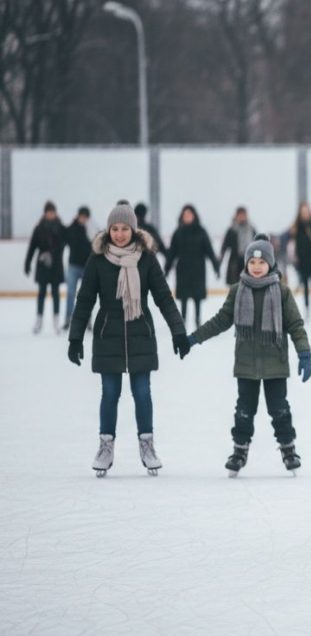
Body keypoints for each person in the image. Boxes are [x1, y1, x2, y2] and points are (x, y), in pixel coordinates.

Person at [67, 202, 191, 477]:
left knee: (142, 392)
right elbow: (85, 299)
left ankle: (147, 446)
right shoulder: (98, 259)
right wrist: (75, 338)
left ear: (133, 230)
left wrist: (178, 331)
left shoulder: (146, 258)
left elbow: (163, 297)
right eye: (115, 228)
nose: (120, 234)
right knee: (110, 393)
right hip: (107, 335)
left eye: (125, 228)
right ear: (108, 230)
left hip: (140, 333)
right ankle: (105, 447)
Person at [188, 235, 311, 476]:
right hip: (246, 364)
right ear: (246, 264)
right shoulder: (238, 291)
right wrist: (194, 338)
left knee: (279, 409)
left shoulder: (282, 292)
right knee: (244, 410)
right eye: (252, 262)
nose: (256, 267)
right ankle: (239, 450)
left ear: (270, 264)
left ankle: (288, 449)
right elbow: (221, 321)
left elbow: (296, 325)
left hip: (275, 364)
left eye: (262, 262)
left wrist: (304, 354)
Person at [165, 205, 219, 329]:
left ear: (194, 216)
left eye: (189, 215)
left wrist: (216, 266)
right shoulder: (178, 232)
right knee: (183, 297)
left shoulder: (201, 231)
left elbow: (209, 250)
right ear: (182, 217)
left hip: (197, 269)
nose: (187, 217)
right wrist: (167, 269)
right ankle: (183, 320)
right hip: (183, 269)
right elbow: (172, 252)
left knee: (197, 297)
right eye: (185, 215)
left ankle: (197, 319)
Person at [25, 200, 66, 335]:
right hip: (43, 265)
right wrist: (27, 263)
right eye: (48, 212)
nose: (50, 214)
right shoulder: (39, 228)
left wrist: (52, 254)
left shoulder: (61, 227)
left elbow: (64, 244)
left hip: (56, 265)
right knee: (41, 293)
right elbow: (32, 247)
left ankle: (56, 322)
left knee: (55, 293)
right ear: (45, 213)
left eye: (52, 212)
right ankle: (39, 320)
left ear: (55, 213)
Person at [63, 206, 95, 330]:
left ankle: (87, 320)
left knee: (86, 294)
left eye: (85, 217)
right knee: (71, 293)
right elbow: (65, 240)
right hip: (73, 266)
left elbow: (96, 246)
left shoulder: (91, 229)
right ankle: (68, 319)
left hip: (87, 267)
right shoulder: (72, 228)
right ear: (78, 216)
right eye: (82, 217)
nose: (83, 219)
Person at [290, 201, 311, 319]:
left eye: (307, 211)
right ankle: (307, 308)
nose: (305, 214)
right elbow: (293, 243)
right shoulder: (296, 226)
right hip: (303, 261)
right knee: (306, 286)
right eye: (303, 212)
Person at [220, 207, 256, 285]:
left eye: (243, 215)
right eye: (240, 215)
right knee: (235, 286)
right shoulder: (231, 230)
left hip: (248, 261)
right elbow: (225, 246)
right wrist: (220, 261)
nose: (242, 217)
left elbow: (257, 245)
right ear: (236, 216)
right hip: (234, 262)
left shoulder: (251, 230)